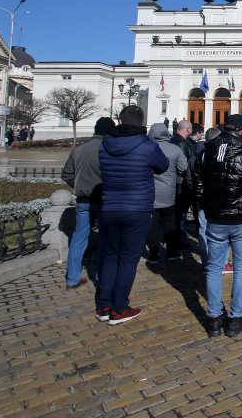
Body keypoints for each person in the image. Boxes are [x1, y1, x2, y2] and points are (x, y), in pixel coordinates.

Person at [96, 105, 169, 325]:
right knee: (128, 260)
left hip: (109, 207)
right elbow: (163, 166)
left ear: (119, 121)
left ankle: (104, 305)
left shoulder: (104, 145)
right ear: (141, 123)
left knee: (109, 257)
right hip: (136, 209)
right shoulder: (147, 146)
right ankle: (119, 309)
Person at [200, 114, 242, 337]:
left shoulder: (206, 150)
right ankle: (235, 316)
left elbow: (198, 182)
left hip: (216, 216)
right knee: (240, 269)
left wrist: (205, 206)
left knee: (213, 267)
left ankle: (214, 317)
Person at [61, 117, 114, 289]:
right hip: (105, 200)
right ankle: (101, 278)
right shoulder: (109, 150)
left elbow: (67, 174)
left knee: (78, 238)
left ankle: (72, 278)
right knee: (106, 239)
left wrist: (79, 186)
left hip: (83, 200)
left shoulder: (79, 150)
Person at [146, 123, 189, 264]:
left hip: (150, 192)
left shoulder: (146, 149)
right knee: (169, 222)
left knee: (152, 223)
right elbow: (184, 168)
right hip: (168, 192)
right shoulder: (174, 149)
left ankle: (153, 252)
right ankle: (171, 251)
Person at [170, 120, 196, 247]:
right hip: (181, 182)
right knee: (180, 211)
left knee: (180, 211)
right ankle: (178, 236)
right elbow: (184, 165)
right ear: (188, 130)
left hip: (179, 181)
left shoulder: (176, 140)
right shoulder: (181, 143)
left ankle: (179, 234)